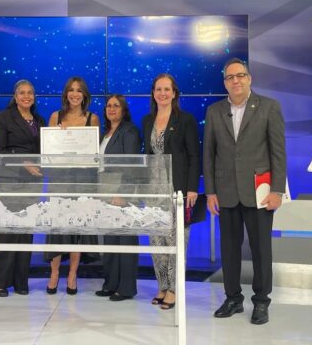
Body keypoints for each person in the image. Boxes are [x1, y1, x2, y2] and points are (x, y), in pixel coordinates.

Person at [203, 57, 286, 325]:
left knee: (261, 249)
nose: (235, 81)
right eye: (230, 77)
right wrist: (210, 192)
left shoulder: (269, 107)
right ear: (225, 82)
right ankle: (233, 298)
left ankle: (261, 301)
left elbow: (278, 153)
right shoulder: (214, 111)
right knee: (229, 249)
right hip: (226, 191)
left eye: (240, 75)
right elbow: (209, 154)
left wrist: (277, 190)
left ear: (249, 79)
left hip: (260, 192)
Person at [142, 73, 200, 310]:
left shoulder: (185, 120)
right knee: (157, 240)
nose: (163, 93)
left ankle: (174, 289)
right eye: (158, 89)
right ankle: (162, 286)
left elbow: (194, 156)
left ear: (174, 93)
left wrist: (192, 188)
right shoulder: (147, 120)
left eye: (167, 89)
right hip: (153, 189)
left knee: (176, 240)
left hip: (177, 190)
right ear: (153, 93)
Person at [0, 79, 45, 297]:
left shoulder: (39, 121)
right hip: (8, 181)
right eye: (22, 92)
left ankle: (21, 281)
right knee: (8, 229)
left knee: (26, 230)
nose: (26, 96)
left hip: (32, 182)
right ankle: (0, 281)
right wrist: (23, 162)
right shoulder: (3, 118)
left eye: (30, 92)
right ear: (15, 96)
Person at [44, 76, 100, 295]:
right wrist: (57, 139)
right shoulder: (55, 117)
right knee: (58, 228)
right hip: (59, 180)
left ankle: (72, 275)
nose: (75, 94)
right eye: (71, 90)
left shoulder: (92, 119)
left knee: (77, 228)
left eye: (79, 90)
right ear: (66, 94)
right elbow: (48, 151)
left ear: (84, 95)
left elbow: (94, 154)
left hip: (83, 181)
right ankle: (54, 274)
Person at [95, 94, 141, 302]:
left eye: (116, 105)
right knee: (110, 239)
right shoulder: (105, 134)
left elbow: (131, 163)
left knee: (125, 240)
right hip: (104, 188)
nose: (111, 109)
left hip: (120, 189)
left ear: (123, 110)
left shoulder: (129, 131)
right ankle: (111, 284)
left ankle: (126, 288)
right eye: (108, 106)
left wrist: (123, 192)